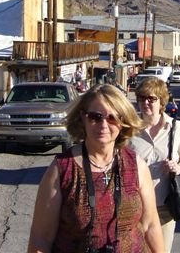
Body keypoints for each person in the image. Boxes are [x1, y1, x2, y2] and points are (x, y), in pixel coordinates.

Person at [27, 84, 165, 253]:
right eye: (95, 117)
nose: (104, 125)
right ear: (82, 118)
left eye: (113, 118)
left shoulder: (136, 165)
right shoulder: (62, 169)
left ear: (123, 122)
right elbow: (41, 238)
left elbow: (151, 225)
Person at [129, 78, 180, 253]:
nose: (146, 103)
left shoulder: (176, 128)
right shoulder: (130, 129)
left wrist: (178, 167)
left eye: (151, 99)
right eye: (142, 98)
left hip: (164, 207)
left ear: (161, 102)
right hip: (134, 207)